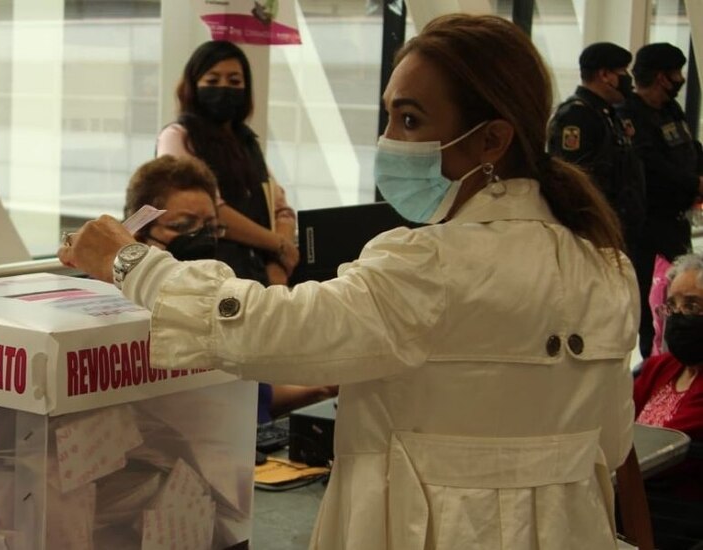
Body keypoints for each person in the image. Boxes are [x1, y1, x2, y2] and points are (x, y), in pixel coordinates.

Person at [61, 14, 637, 550]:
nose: (389, 139)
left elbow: (270, 328)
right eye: (388, 116)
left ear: (491, 140)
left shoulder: (430, 266)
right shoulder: (606, 266)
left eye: (410, 120)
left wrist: (130, 262)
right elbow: (613, 443)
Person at [125, 155, 337, 419]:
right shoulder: (120, 320)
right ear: (138, 238)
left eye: (211, 227)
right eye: (183, 226)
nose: (202, 237)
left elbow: (254, 399)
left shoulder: (215, 305)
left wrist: (323, 388)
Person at [155, 40, 298, 287]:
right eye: (212, 81)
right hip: (206, 279)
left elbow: (280, 208)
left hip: (259, 277)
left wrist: (279, 262)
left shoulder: (247, 142)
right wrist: (279, 244)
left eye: (234, 81)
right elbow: (212, 212)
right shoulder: (178, 137)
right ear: (193, 86)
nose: (224, 88)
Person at [619, 42, 703, 357]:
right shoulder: (629, 114)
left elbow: (690, 149)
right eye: (676, 72)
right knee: (652, 306)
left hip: (678, 226)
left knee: (681, 295)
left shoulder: (670, 111)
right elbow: (649, 167)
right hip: (647, 230)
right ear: (660, 77)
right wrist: (691, 182)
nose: (682, 78)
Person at [548, 42, 646, 265]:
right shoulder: (577, 117)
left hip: (616, 229)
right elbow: (574, 179)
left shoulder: (608, 115)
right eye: (623, 72)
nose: (628, 79)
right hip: (594, 233)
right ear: (605, 75)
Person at [634, 252, 703, 499]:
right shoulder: (661, 367)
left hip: (676, 514)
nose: (678, 315)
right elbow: (616, 415)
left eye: (692, 305)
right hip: (634, 493)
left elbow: (666, 446)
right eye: (672, 306)